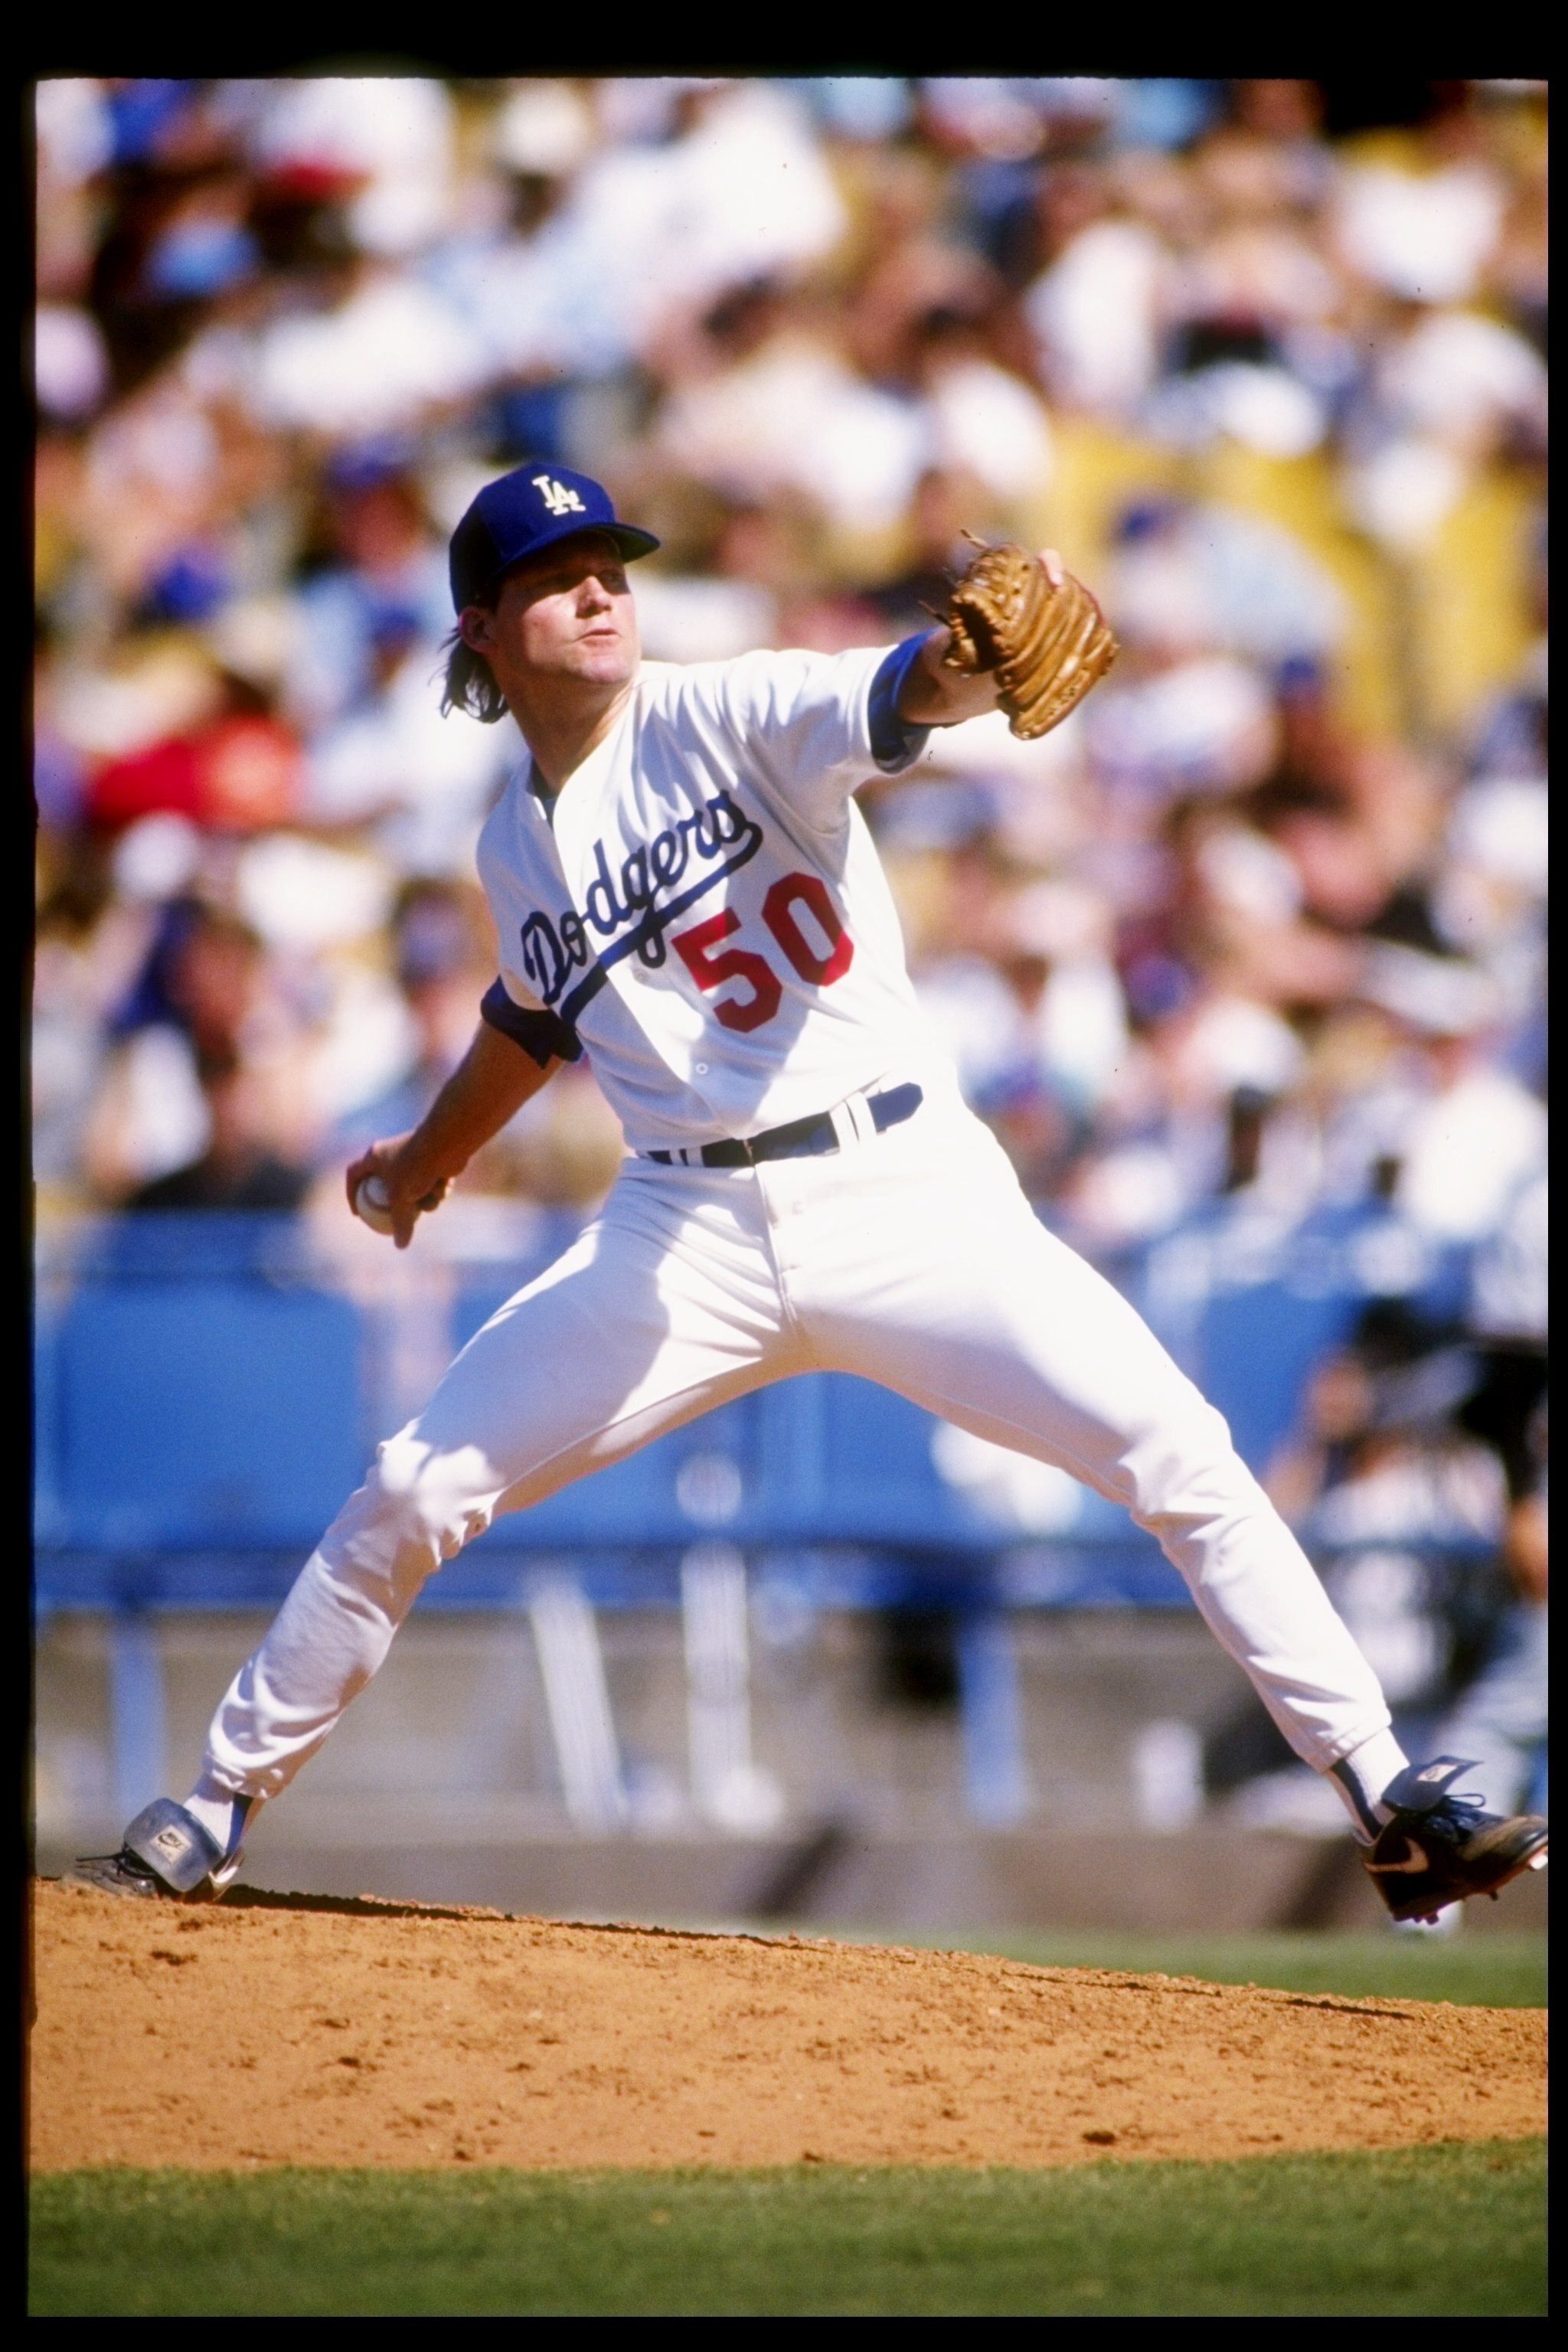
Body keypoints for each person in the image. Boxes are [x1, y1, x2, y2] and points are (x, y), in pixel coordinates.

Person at [71, 462, 1547, 1923]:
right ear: (481, 629)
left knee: (1177, 1449)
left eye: (615, 567)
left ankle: (1386, 1795)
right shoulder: (511, 843)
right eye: (557, 575)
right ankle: (212, 1809)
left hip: (904, 1187)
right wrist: (423, 1161)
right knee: (408, 1487)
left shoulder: (722, 706)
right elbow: (533, 1017)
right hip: (682, 1232)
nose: (602, 591)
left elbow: (893, 696)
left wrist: (949, 673)